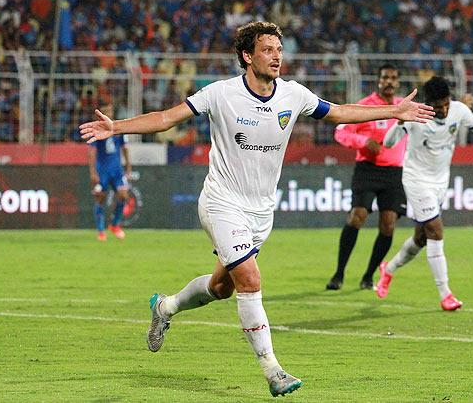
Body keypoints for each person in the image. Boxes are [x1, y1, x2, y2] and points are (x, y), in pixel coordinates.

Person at [79, 21, 433, 397]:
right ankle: (273, 371)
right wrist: (117, 127)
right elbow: (167, 118)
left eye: (279, 49)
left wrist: (394, 111)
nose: (277, 56)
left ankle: (165, 307)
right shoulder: (221, 93)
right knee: (250, 280)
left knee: (221, 287)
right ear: (248, 56)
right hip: (221, 202)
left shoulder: (293, 95)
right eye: (267, 49)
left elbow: (339, 113)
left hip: (261, 212)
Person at [376, 76, 473, 310]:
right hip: (416, 180)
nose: (442, 110)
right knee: (436, 229)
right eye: (437, 106)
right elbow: (389, 143)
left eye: (445, 104)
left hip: (440, 182)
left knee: (422, 238)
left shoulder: (458, 110)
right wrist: (399, 121)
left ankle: (388, 269)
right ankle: (445, 294)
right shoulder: (415, 115)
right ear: (427, 103)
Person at [325, 64, 408, 291]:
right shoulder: (365, 106)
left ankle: (369, 275)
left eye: (393, 78)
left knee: (388, 224)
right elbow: (341, 131)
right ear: (378, 81)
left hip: (394, 172)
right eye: (385, 77)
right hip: (367, 169)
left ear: (398, 82)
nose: (389, 81)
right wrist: (363, 142)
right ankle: (339, 273)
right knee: (357, 216)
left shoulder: (403, 108)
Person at [88, 102, 132, 241]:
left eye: (110, 110)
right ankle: (101, 231)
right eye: (105, 110)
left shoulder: (118, 128)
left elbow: (125, 148)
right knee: (100, 198)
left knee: (124, 195)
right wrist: (93, 171)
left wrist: (128, 166)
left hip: (117, 170)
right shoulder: (97, 130)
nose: (109, 112)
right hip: (102, 171)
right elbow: (92, 152)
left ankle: (114, 225)